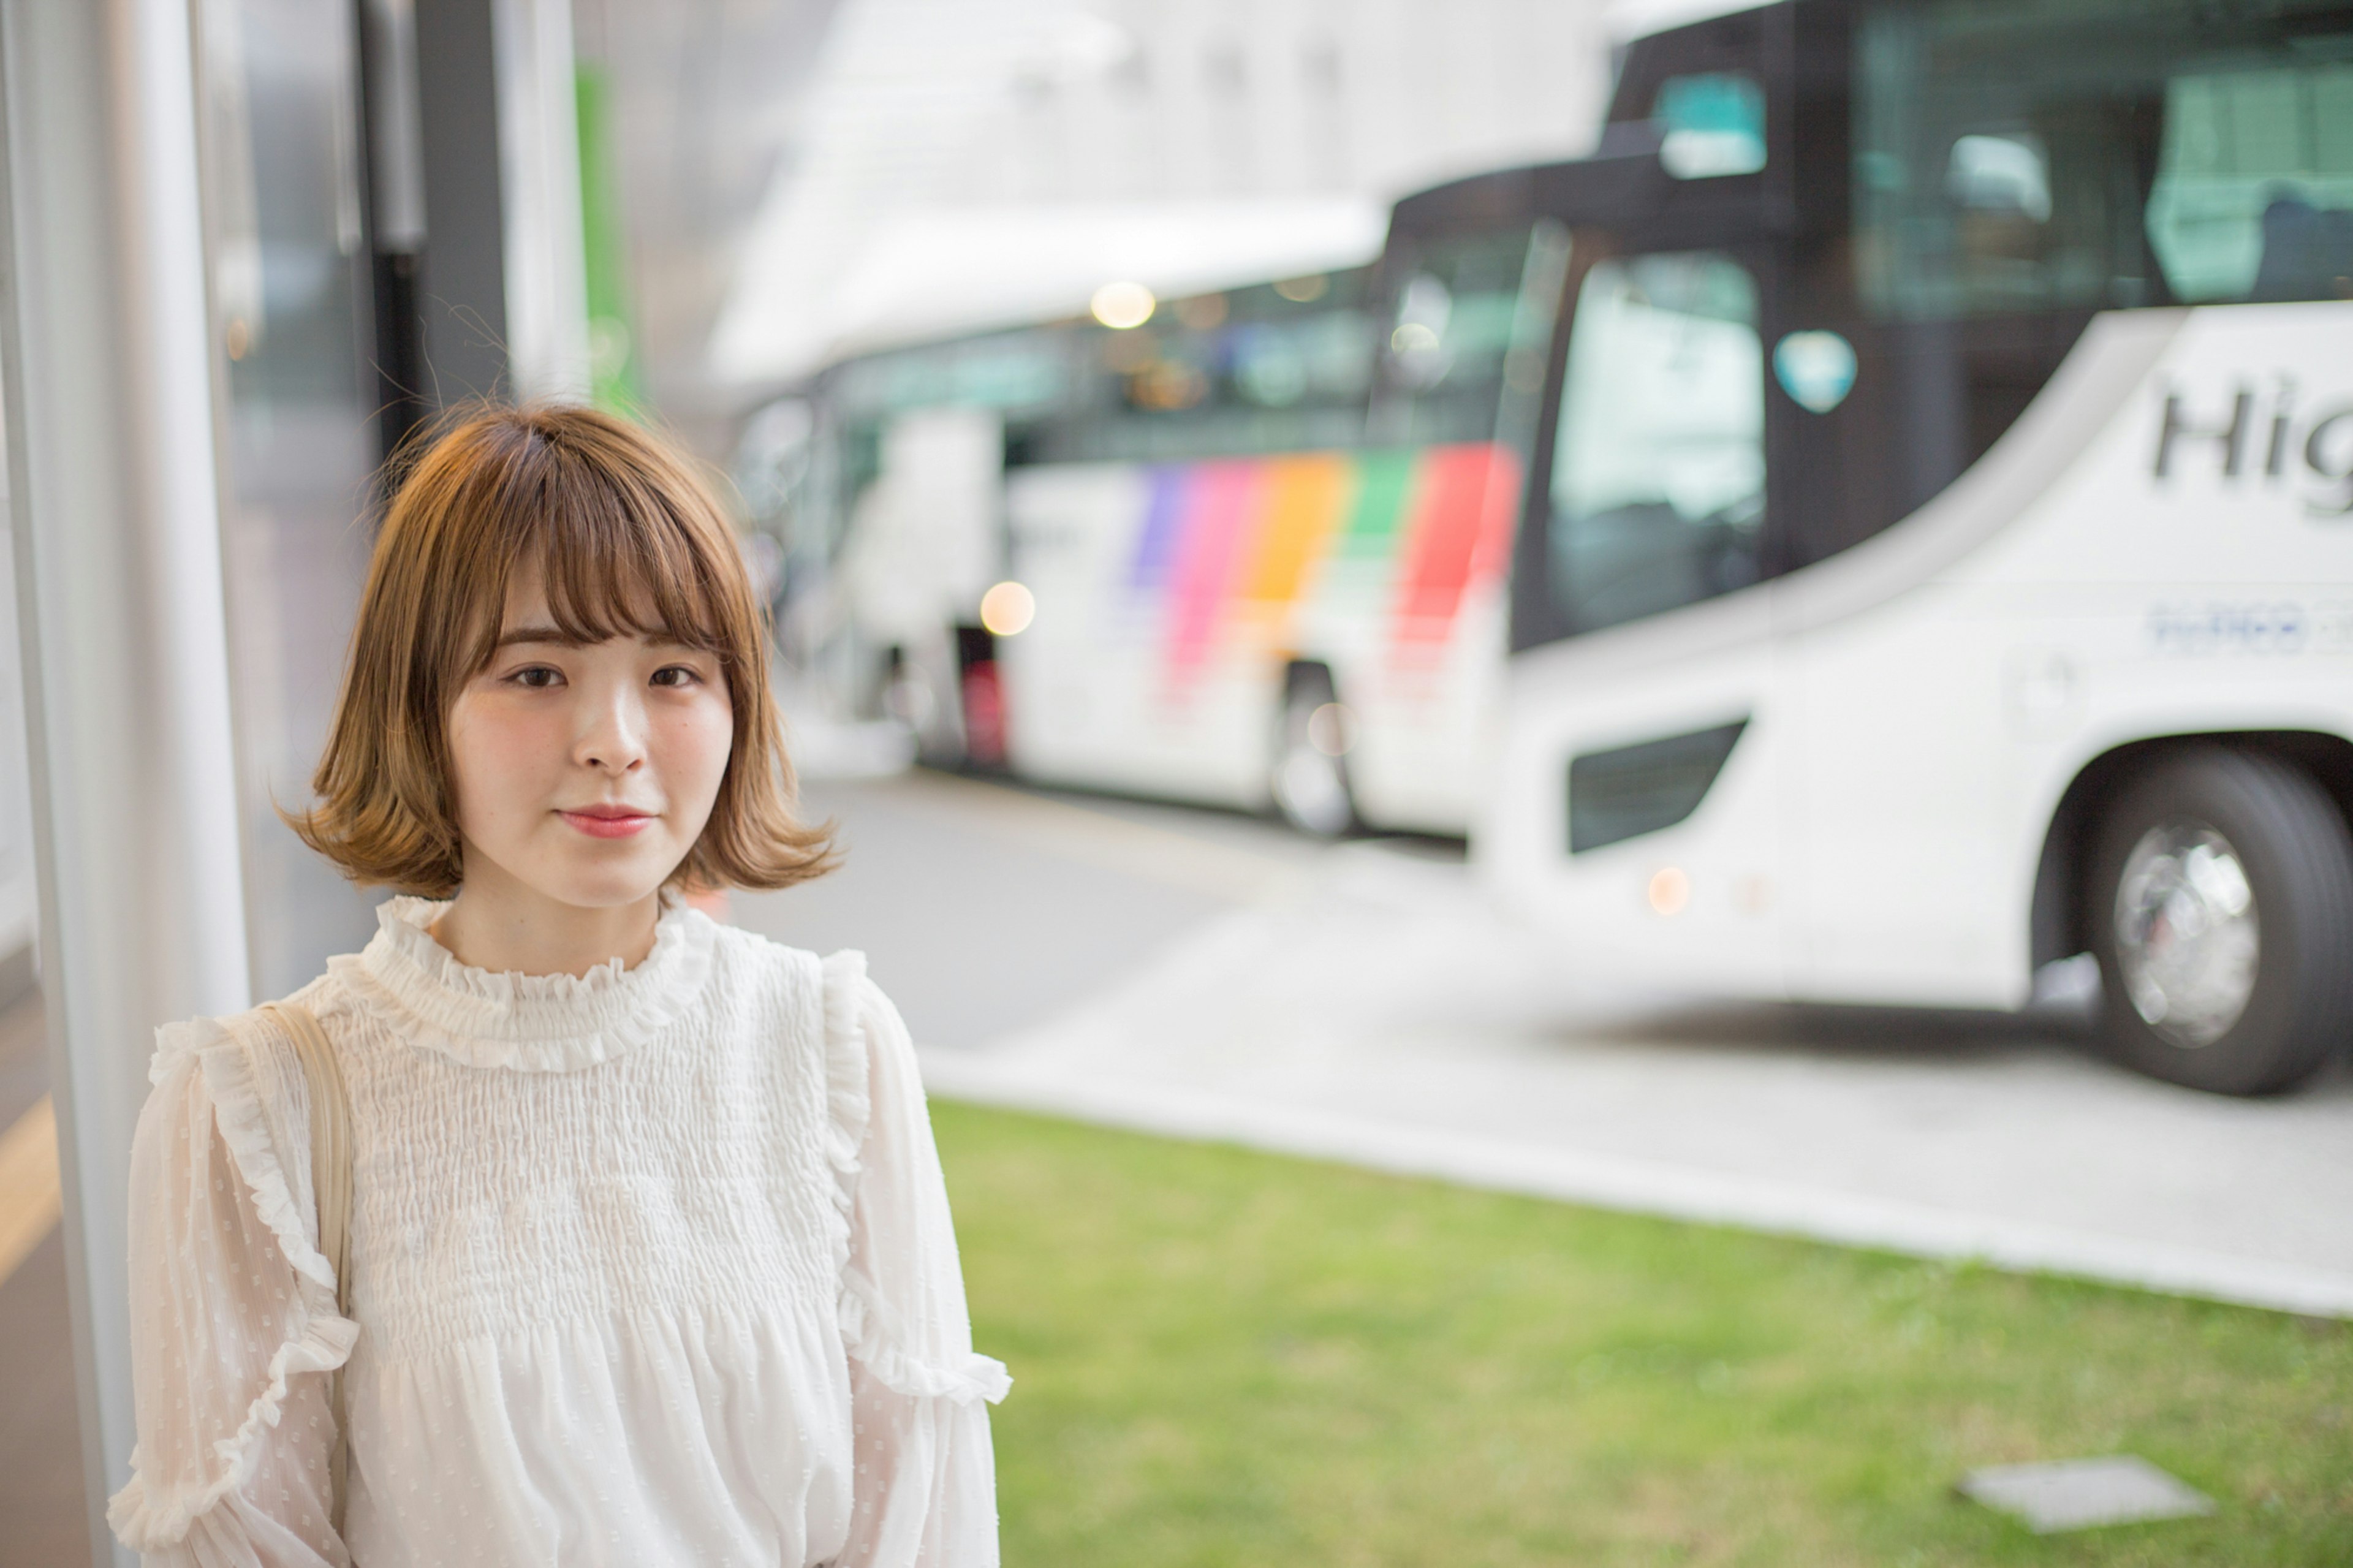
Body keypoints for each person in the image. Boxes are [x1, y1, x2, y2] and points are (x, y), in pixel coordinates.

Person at [105, 404, 1007, 1566]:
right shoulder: (263, 1107)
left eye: (674, 672)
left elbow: (918, 1525)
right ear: (419, 706)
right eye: (536, 672)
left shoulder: (826, 1044)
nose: (615, 739)